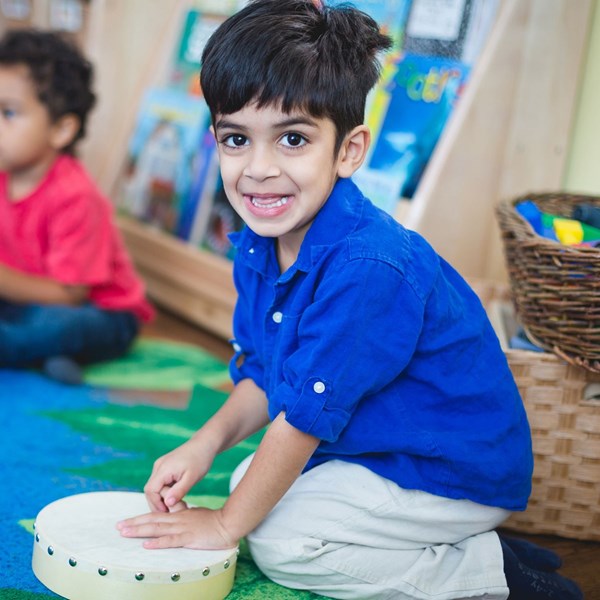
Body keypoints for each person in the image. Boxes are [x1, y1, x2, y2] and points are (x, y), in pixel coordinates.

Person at [118, 2, 582, 598]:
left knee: (277, 541)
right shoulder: (260, 244)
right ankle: (450, 543)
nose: (259, 169)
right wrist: (202, 443)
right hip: (381, 448)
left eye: (292, 139)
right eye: (236, 139)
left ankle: (491, 573)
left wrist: (225, 525)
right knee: (246, 477)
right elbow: (265, 374)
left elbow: (303, 421)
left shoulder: (369, 266)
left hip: (447, 471)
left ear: (349, 151)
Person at [0, 29, 155, 384]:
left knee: (57, 325)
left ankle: (39, 348)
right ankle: (51, 356)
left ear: (61, 129)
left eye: (8, 113)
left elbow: (70, 295)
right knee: (34, 323)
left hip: (101, 313)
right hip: (24, 302)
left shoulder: (75, 195)